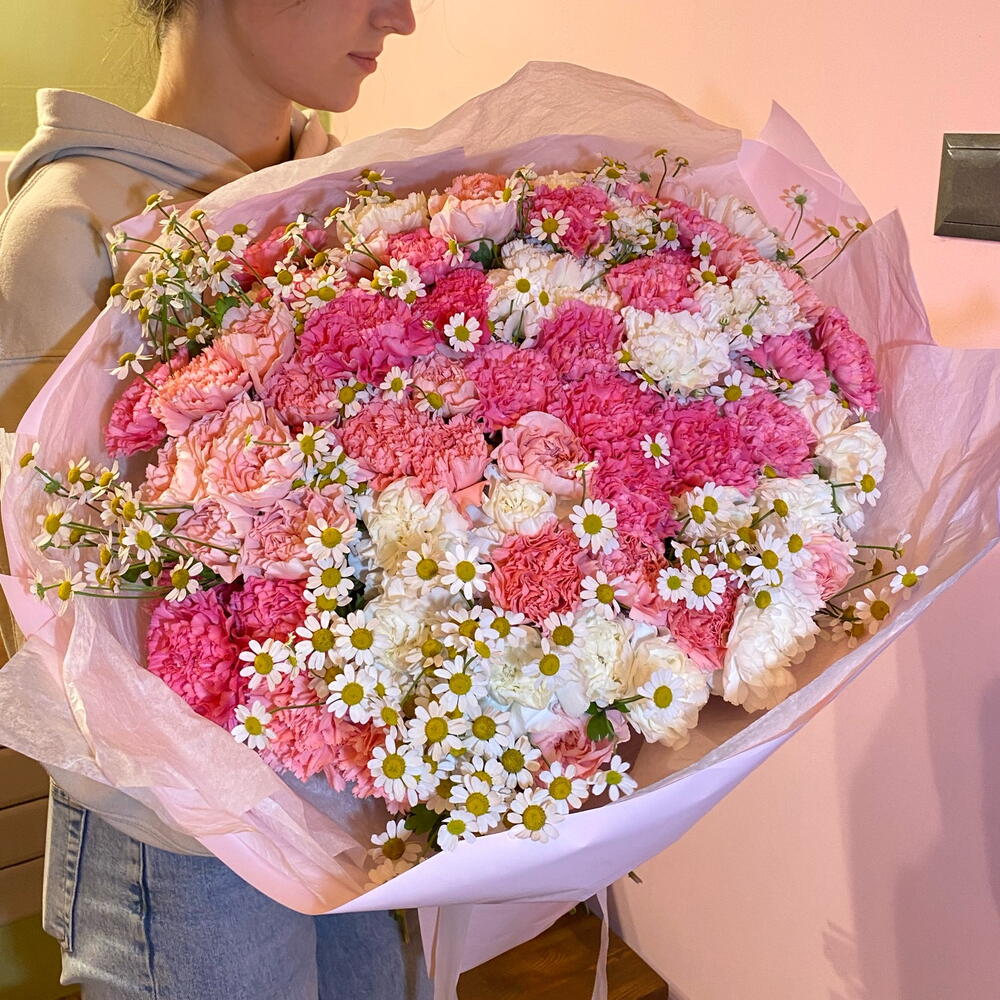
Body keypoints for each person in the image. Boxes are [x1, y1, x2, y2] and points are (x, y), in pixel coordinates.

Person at [0, 2, 432, 997]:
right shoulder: (75, 228)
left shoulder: (351, 194)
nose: (401, 17)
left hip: (341, 791)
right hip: (181, 834)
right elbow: (70, 607)